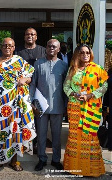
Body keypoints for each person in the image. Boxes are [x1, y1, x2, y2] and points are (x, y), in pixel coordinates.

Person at [0, 38, 36, 172]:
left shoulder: (19, 61)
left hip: (17, 105)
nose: (7, 47)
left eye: (10, 45)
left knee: (15, 132)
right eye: (5, 45)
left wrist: (25, 79)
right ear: (1, 47)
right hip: (1, 106)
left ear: (14, 47)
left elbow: (30, 76)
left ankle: (15, 161)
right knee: (0, 133)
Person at [63, 44, 108, 177]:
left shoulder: (97, 69)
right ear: (77, 54)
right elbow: (66, 87)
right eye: (82, 53)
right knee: (75, 136)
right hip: (75, 108)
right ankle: (74, 168)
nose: (85, 55)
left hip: (90, 108)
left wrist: (90, 95)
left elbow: (104, 86)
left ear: (91, 54)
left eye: (87, 52)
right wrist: (75, 95)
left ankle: (91, 169)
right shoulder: (73, 69)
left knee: (89, 137)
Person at [30, 39, 68, 171]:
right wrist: (31, 101)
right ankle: (42, 159)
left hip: (57, 106)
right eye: (49, 46)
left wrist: (66, 105)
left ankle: (56, 160)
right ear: (45, 48)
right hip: (40, 106)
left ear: (58, 50)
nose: (51, 48)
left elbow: (66, 87)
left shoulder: (63, 65)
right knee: (41, 135)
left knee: (57, 136)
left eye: (54, 46)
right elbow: (33, 83)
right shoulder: (38, 63)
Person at [15, 27, 46, 153]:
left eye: (33, 34)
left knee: (39, 119)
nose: (30, 36)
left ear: (36, 37)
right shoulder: (18, 52)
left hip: (40, 90)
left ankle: (38, 146)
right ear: (24, 37)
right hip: (23, 90)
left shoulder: (43, 51)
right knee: (24, 118)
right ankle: (25, 145)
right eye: (27, 34)